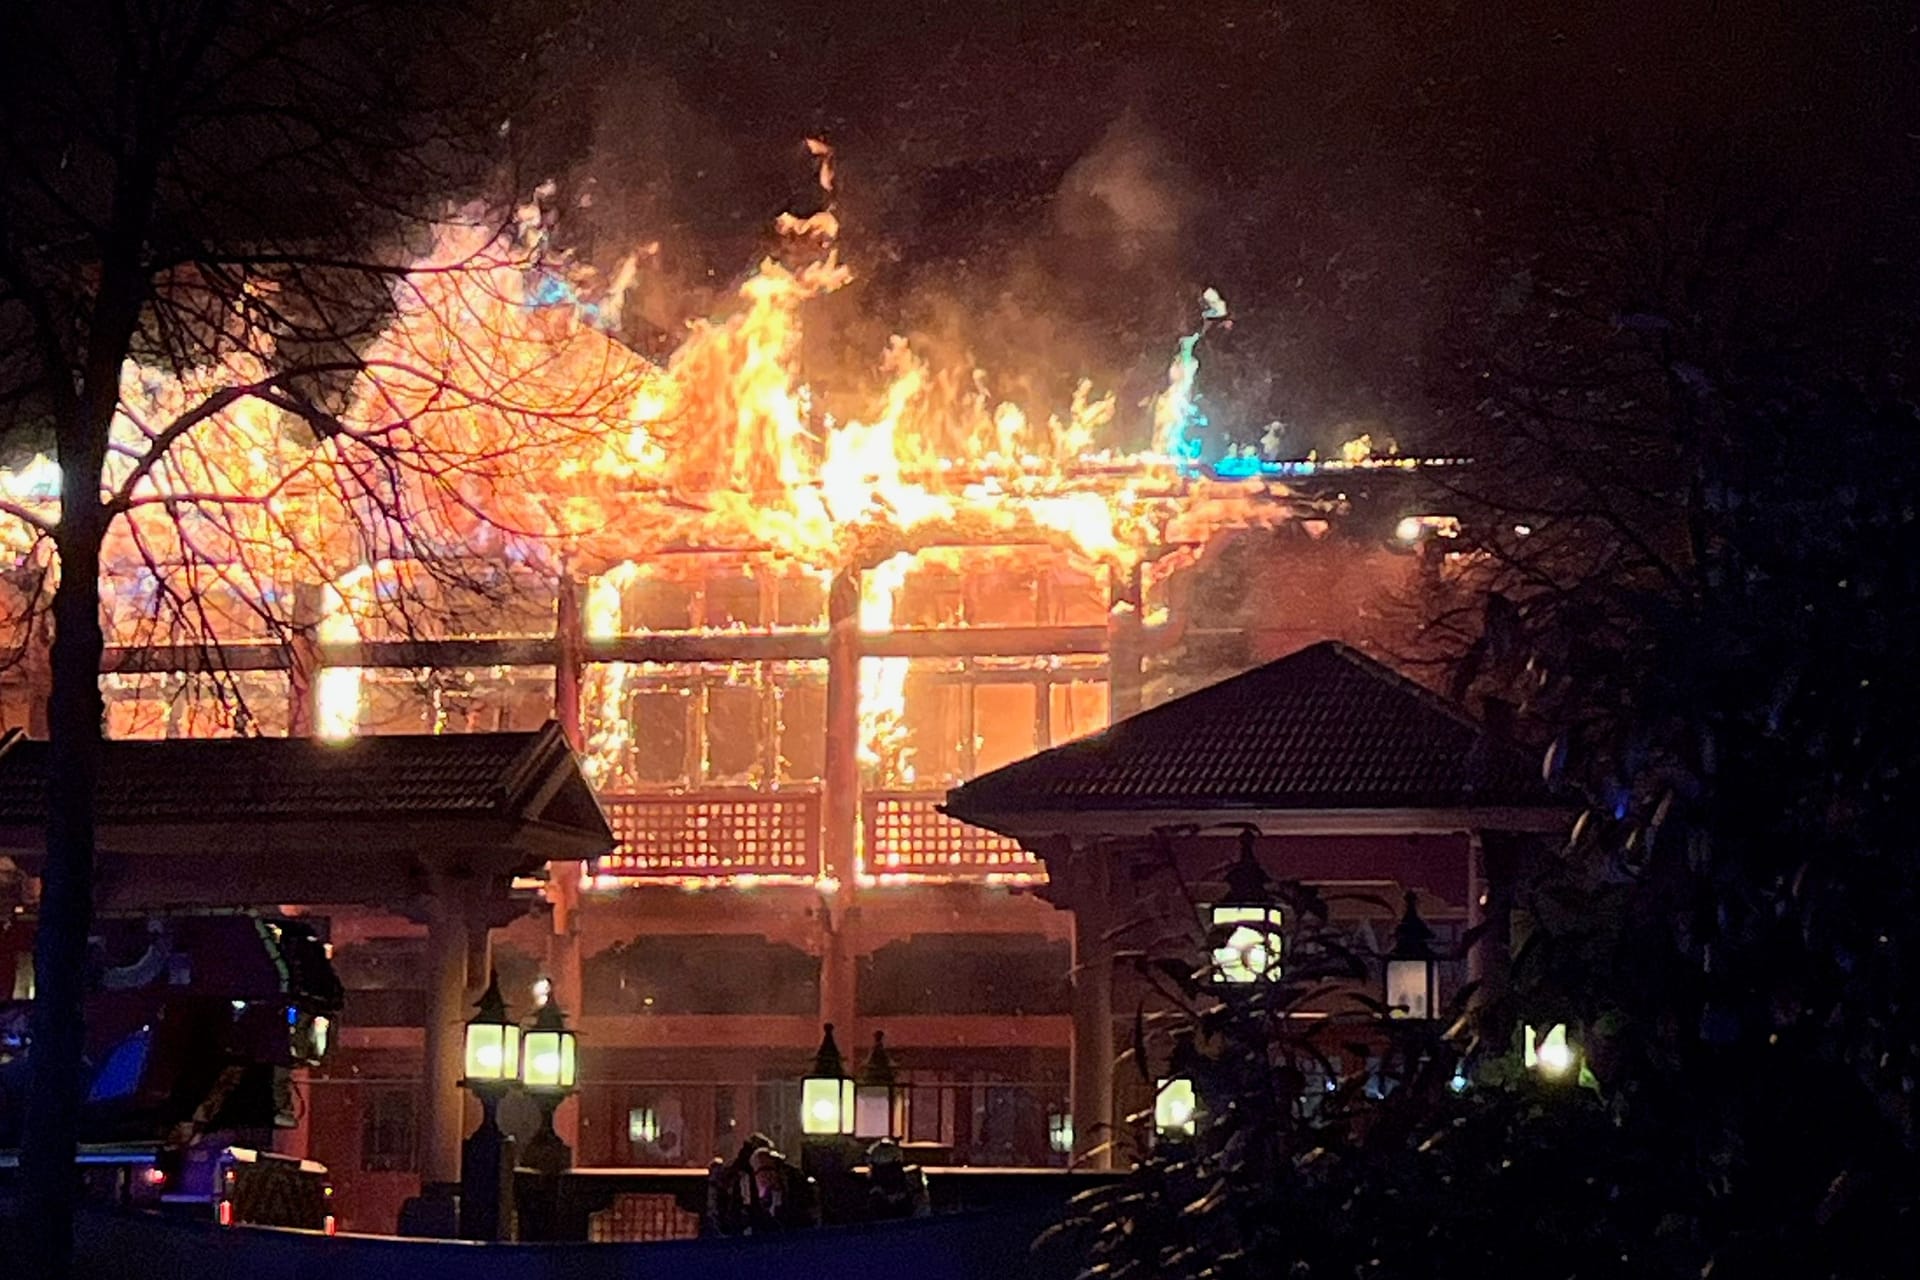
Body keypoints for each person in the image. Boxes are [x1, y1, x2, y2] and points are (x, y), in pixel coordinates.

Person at [743, 1146, 820, 1232]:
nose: (769, 1175)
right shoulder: (747, 1200)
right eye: (764, 1170)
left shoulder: (796, 1194)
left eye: (773, 1169)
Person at [863, 1139, 930, 1221]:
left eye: (889, 1168)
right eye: (880, 1169)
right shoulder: (870, 1192)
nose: (886, 1175)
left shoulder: (913, 1188)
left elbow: (923, 1218)